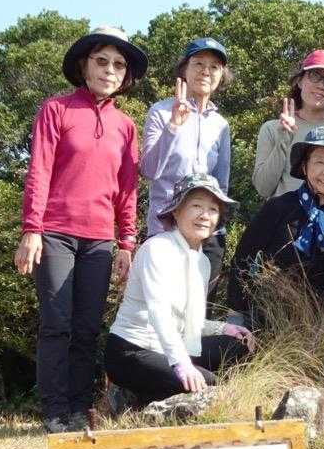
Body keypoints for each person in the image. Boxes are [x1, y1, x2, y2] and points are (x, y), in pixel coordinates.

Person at [17, 26, 145, 434]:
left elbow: (127, 187)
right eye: (101, 61)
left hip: (100, 240)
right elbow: (39, 170)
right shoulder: (56, 110)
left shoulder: (126, 126)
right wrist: (31, 229)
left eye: (119, 64)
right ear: (84, 65)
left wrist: (127, 241)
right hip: (54, 232)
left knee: (88, 328)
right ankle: (55, 411)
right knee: (57, 324)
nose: (110, 70)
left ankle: (79, 408)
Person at [104, 173, 255, 406]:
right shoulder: (157, 249)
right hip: (133, 350)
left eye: (213, 209)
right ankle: (130, 396)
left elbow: (189, 322)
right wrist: (182, 364)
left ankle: (156, 390)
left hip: (173, 350)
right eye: (196, 206)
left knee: (239, 345)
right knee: (208, 385)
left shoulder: (202, 262)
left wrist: (225, 328)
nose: (205, 215)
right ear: (176, 211)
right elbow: (159, 313)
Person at [227, 125, 324, 327]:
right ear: (304, 167)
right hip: (268, 320)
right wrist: (236, 313)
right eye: (319, 162)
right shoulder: (279, 208)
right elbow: (244, 257)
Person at [141, 37, 233, 282]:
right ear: (184, 69)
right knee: (162, 302)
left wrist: (215, 228)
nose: (206, 71)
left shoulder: (220, 124)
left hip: (206, 233)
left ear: (221, 75)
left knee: (198, 304)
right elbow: (149, 170)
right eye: (199, 63)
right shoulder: (161, 112)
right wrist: (173, 126)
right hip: (166, 229)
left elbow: (221, 185)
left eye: (214, 67)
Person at [253, 49, 324, 200]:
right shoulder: (272, 129)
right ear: (300, 81)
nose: (321, 85)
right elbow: (263, 188)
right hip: (281, 214)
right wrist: (283, 141)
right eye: (314, 76)